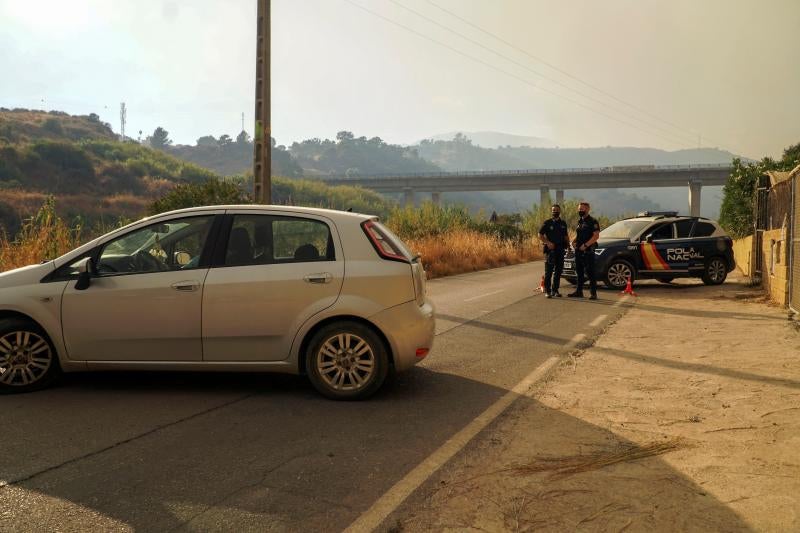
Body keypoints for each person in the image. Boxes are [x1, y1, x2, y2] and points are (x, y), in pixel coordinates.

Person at [568, 201, 601, 300]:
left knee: (590, 273)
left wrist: (586, 245)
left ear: (587, 209)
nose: (580, 211)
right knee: (579, 272)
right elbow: (578, 235)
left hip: (588, 251)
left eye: (582, 209)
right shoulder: (580, 221)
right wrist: (573, 242)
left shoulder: (593, 221)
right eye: (579, 209)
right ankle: (579, 291)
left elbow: (596, 236)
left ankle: (593, 293)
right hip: (579, 251)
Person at [538, 204, 569, 298]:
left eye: (557, 210)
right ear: (551, 211)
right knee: (549, 272)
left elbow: (566, 236)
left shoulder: (563, 223)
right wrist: (547, 242)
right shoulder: (547, 223)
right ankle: (548, 291)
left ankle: (555, 290)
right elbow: (540, 234)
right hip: (550, 251)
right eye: (553, 210)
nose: (555, 211)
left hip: (560, 250)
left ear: (560, 211)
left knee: (558, 272)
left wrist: (568, 246)